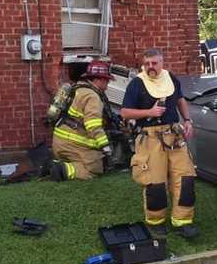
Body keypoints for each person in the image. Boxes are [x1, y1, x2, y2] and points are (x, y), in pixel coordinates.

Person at [120, 49, 198, 239]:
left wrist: (188, 120)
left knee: (185, 178)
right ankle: (156, 222)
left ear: (162, 63)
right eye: (147, 64)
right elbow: (125, 112)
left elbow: (180, 100)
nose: (150, 67)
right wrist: (149, 112)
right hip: (151, 138)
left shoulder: (170, 77)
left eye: (154, 63)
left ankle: (182, 222)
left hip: (175, 135)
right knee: (155, 182)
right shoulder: (137, 83)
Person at [48, 61, 114, 181]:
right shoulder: (92, 97)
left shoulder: (77, 88)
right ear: (98, 80)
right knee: (95, 169)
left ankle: (57, 165)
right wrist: (105, 147)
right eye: (107, 80)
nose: (108, 84)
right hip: (73, 144)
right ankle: (61, 170)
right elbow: (93, 126)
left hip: (59, 143)